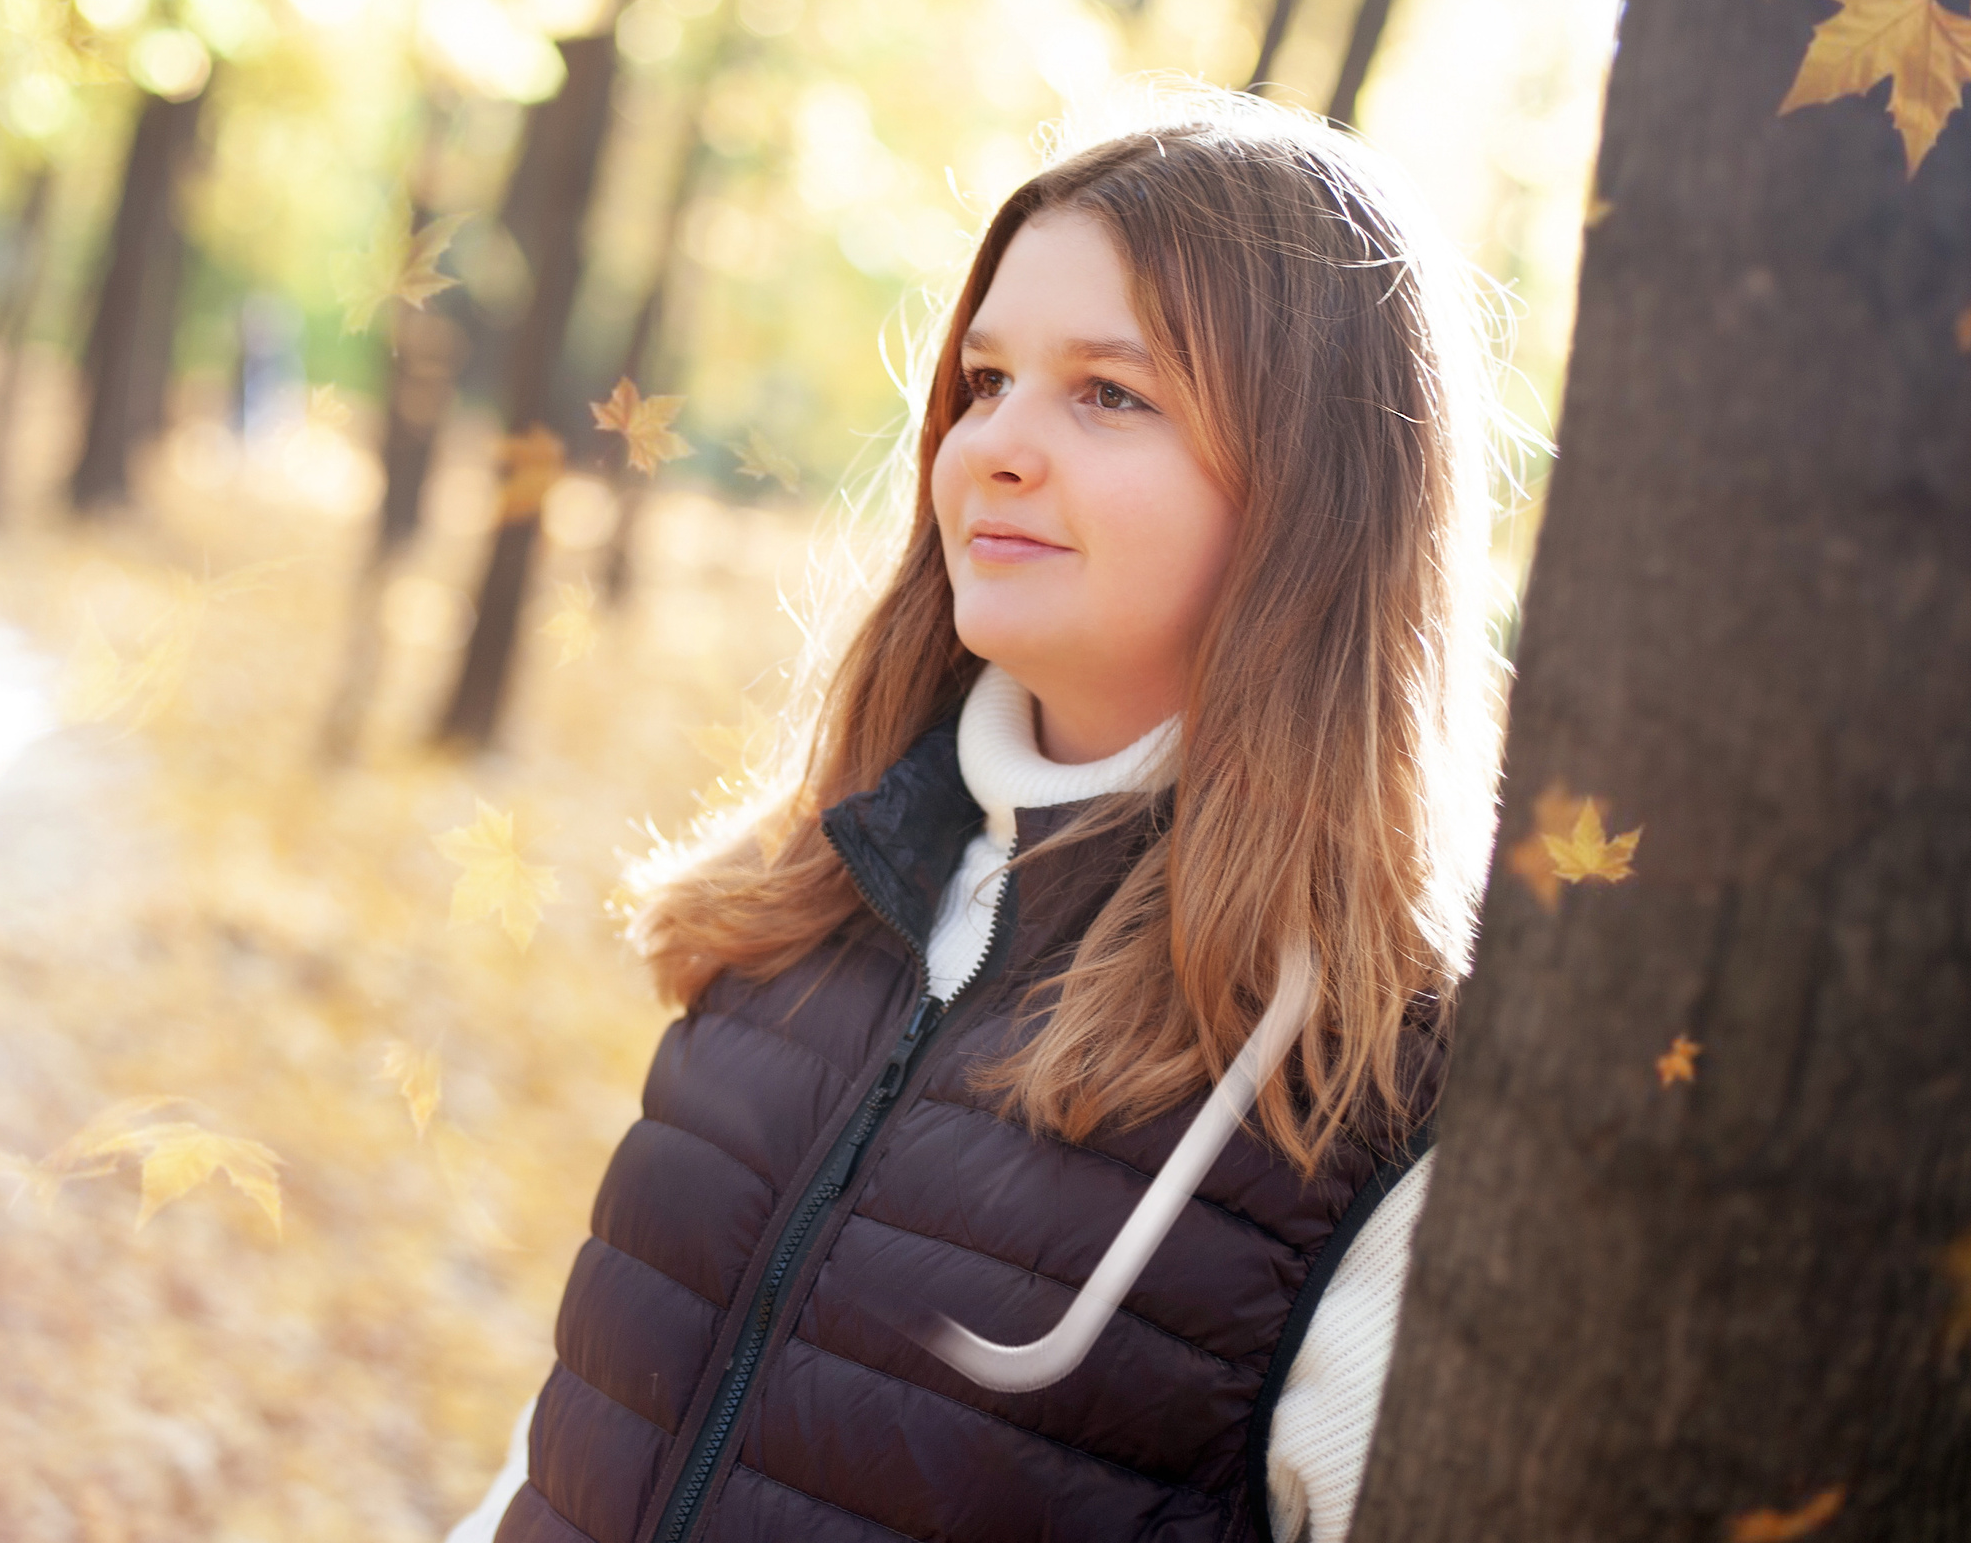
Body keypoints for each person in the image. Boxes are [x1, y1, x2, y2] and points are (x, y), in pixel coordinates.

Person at [451, 91, 1509, 1543]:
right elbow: (577, 1437)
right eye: (987, 379)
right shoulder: (808, 898)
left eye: (1110, 394)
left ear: (1315, 495)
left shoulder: (1377, 1102)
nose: (993, 447)